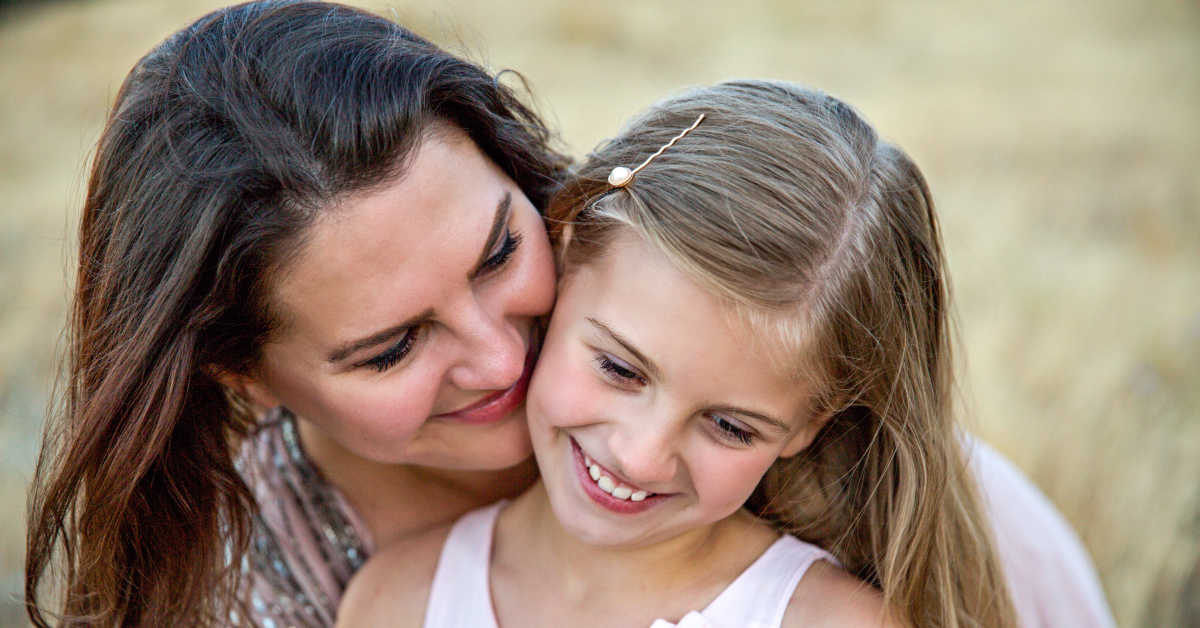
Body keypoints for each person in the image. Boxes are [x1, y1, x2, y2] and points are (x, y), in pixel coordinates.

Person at [337, 80, 1019, 627]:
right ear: (566, 253)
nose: (640, 456)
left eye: (730, 425)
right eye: (620, 368)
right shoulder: (398, 601)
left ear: (811, 422)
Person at [24, 2, 568, 626]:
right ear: (240, 374)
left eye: (500, 254)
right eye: (393, 348)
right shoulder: (240, 601)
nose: (501, 360)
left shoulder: (671, 262)